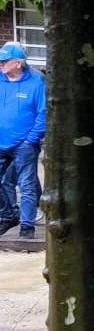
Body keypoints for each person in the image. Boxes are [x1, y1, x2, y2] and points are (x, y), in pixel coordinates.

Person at [0, 41, 46, 240]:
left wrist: (31, 140)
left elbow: (43, 113)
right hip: (1, 141)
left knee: (27, 185)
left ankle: (27, 226)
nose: (1, 64)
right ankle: (8, 215)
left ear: (18, 63)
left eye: (5, 61)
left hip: (24, 144)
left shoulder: (36, 82)